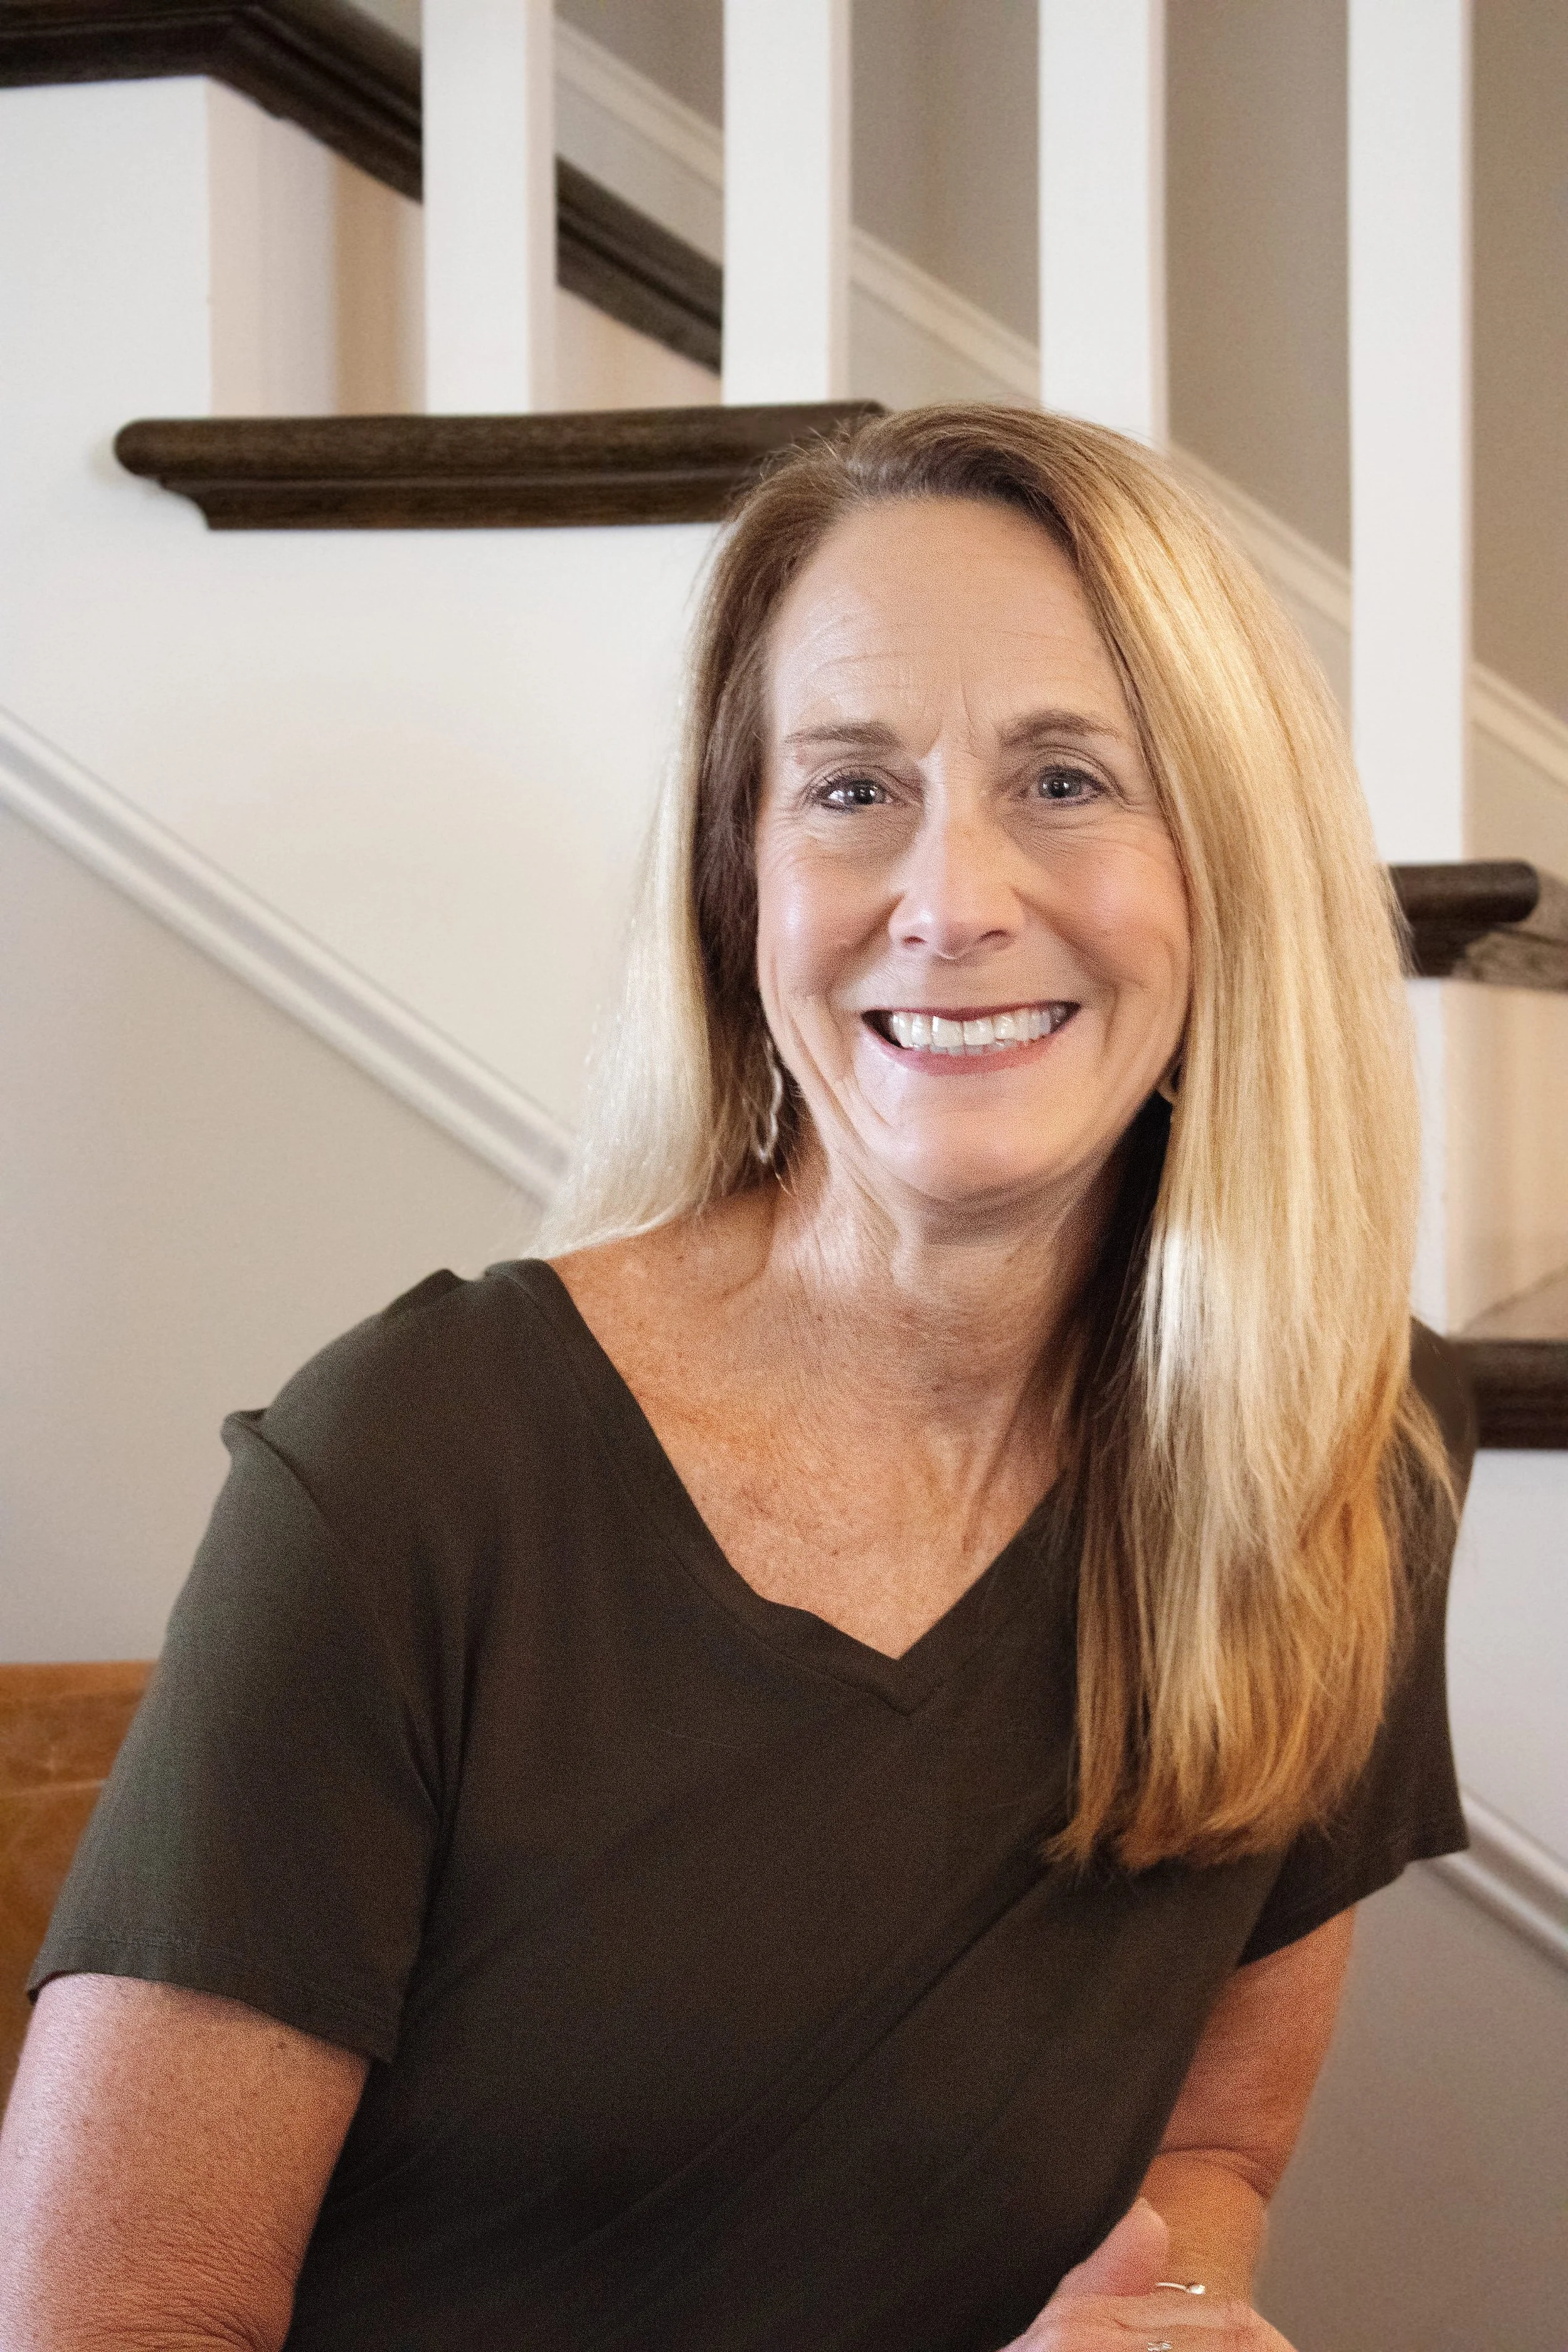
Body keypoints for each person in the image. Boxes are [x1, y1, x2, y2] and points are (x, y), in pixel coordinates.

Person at [0, 406, 1471, 2351]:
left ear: (1229, 875)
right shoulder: (414, 1467)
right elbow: (115, 2323)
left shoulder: (1342, 1453)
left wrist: (1162, 2300)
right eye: (851, 788)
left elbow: (1205, 2152)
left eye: (1062, 778)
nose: (947, 898)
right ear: (736, 882)